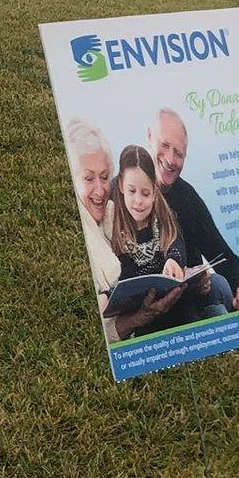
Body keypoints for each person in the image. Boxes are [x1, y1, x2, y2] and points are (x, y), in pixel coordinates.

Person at [106, 144, 225, 337]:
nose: (138, 201)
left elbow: (175, 242)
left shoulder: (162, 218)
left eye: (145, 193)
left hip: (178, 303)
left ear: (154, 191)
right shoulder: (114, 224)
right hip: (145, 314)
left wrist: (173, 260)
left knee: (217, 305)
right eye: (131, 191)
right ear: (121, 186)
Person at [66, 119, 170, 339]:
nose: (100, 190)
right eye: (88, 178)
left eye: (104, 177)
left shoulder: (113, 214)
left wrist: (142, 315)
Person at [148, 107, 239, 311]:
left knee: (220, 287)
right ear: (149, 136)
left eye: (179, 154)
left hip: (192, 297)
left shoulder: (187, 197)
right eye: (165, 145)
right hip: (150, 305)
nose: (170, 159)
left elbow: (222, 253)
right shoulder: (123, 191)